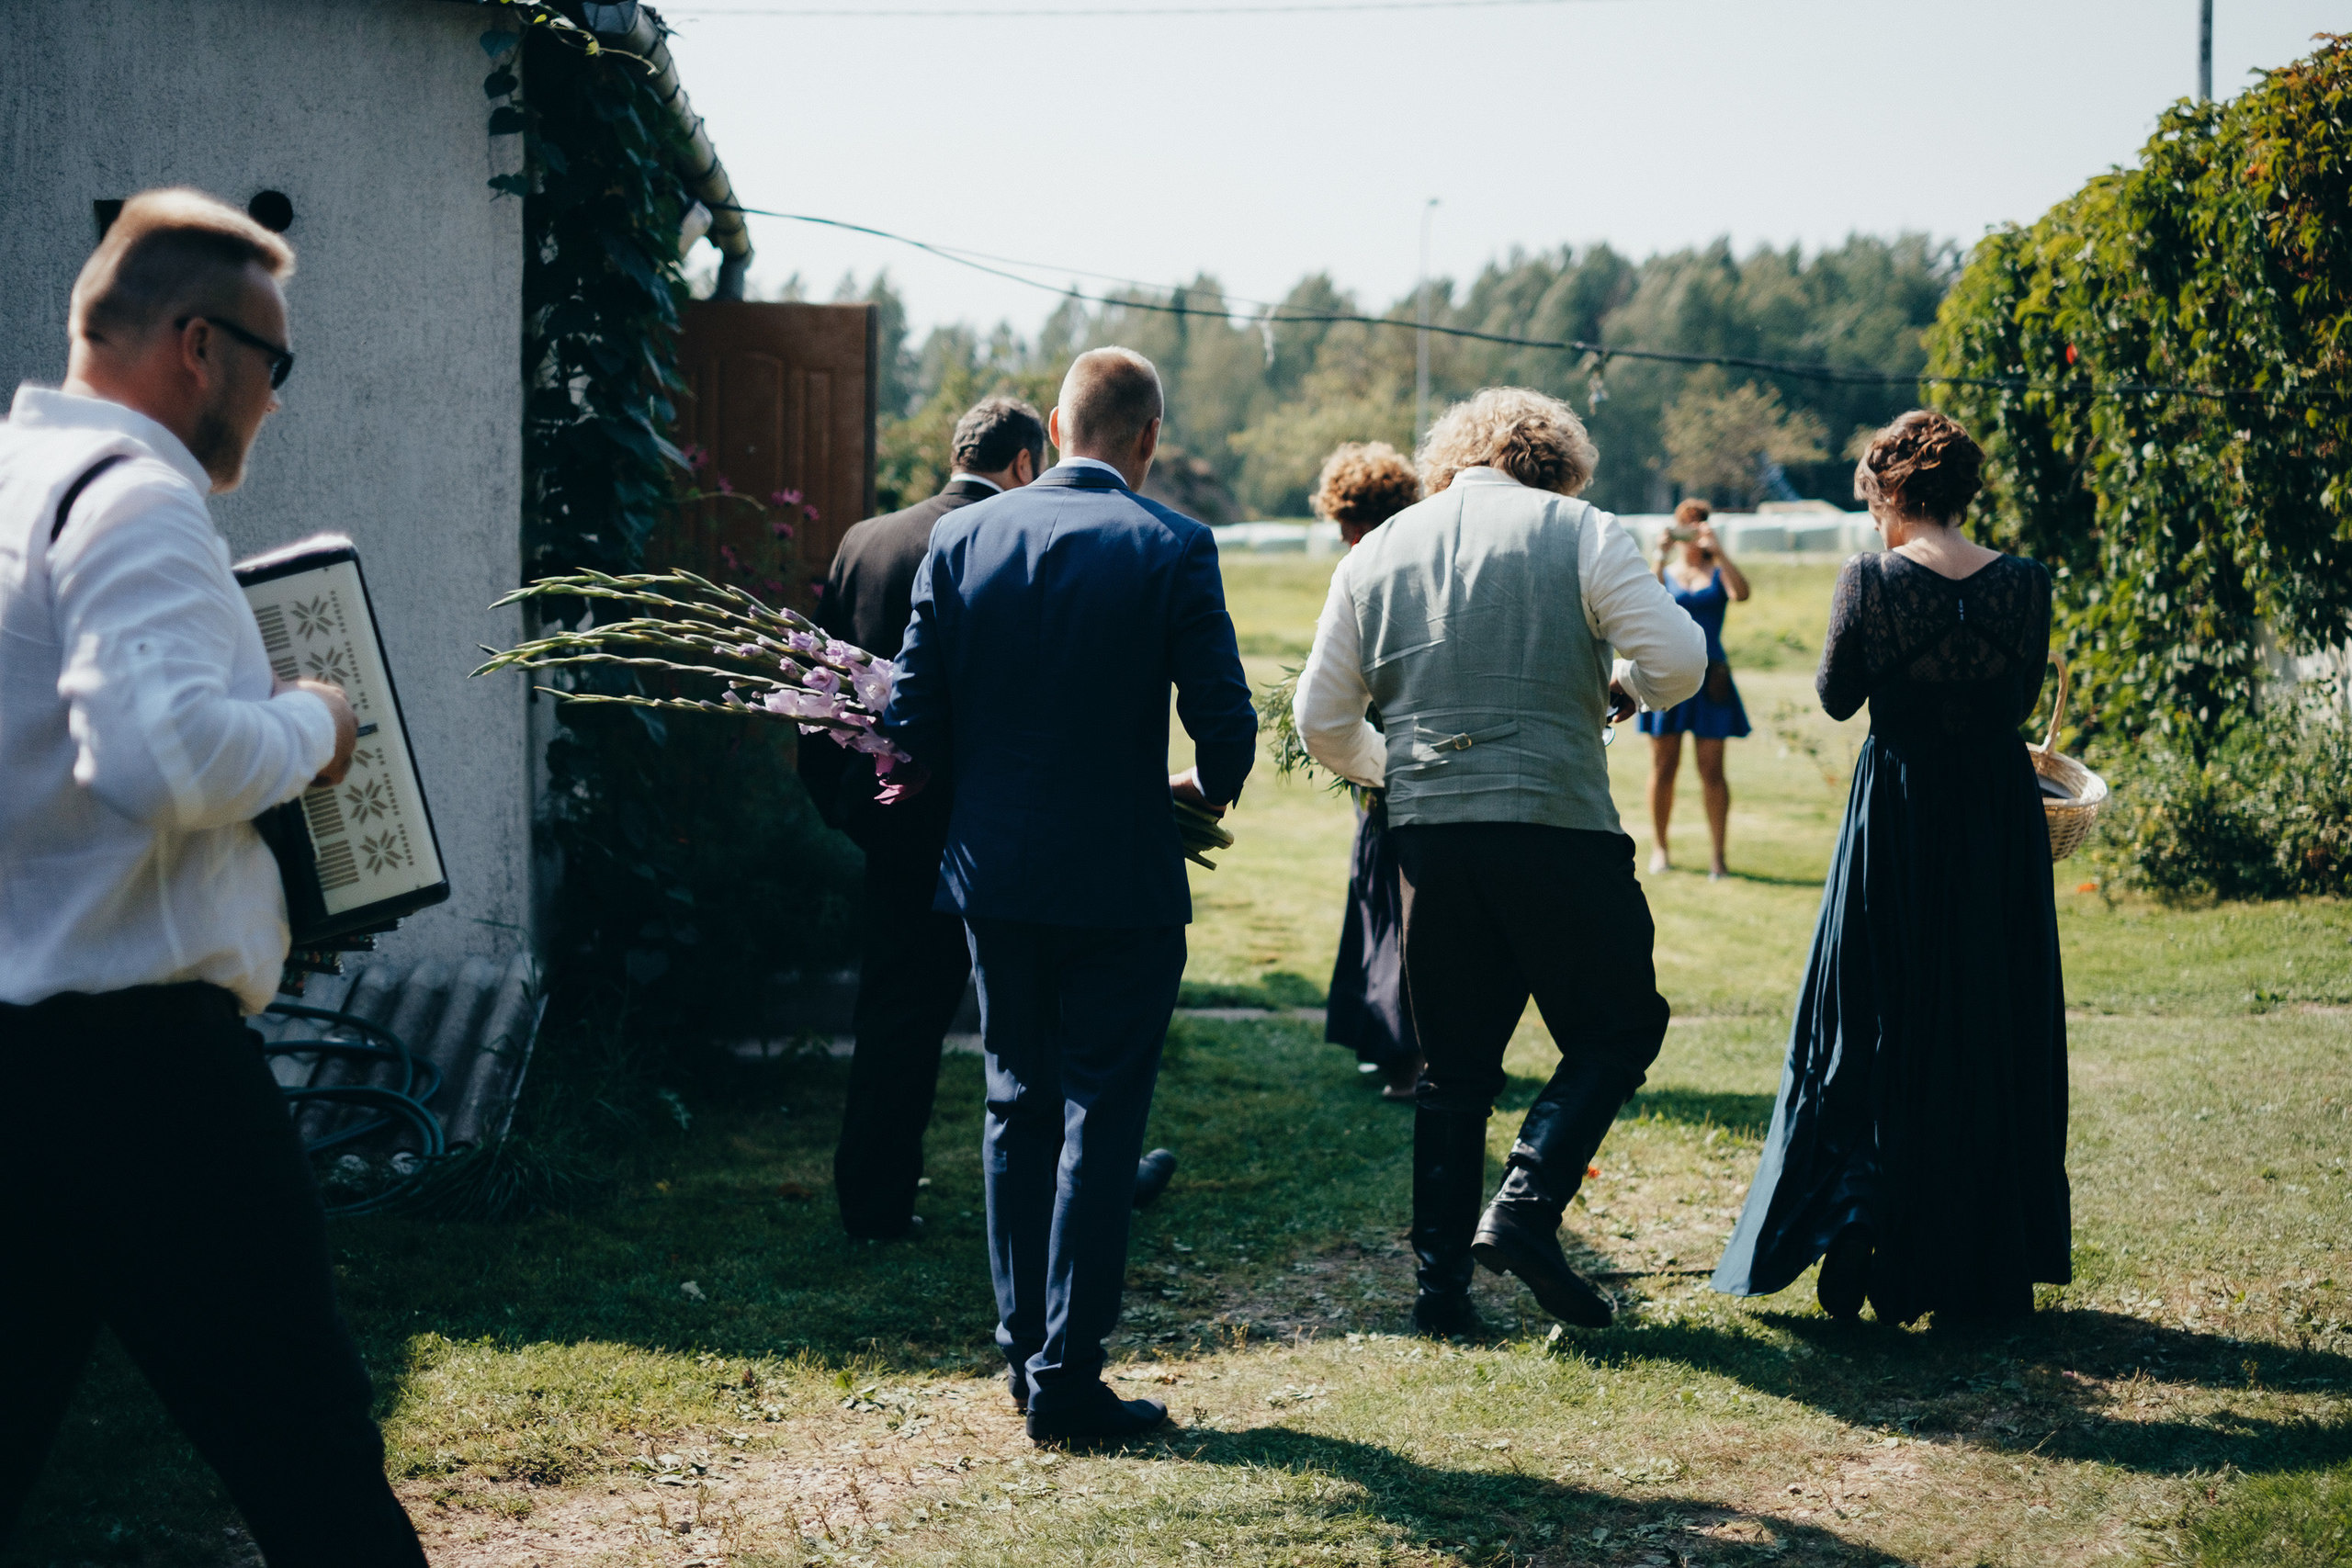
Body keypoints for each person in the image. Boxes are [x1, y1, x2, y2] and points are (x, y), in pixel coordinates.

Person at [0, 190, 422, 1562]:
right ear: (199, 347)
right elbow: (163, 757)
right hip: (148, 1084)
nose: (277, 398)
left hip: (18, 1060)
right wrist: (316, 723)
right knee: (313, 1463)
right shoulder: (138, 500)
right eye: (274, 361)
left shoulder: (17, 488)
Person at [881, 347, 1257, 1444]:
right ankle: (1066, 1375)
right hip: (1120, 877)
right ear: (1148, 437)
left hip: (994, 874)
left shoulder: (961, 537)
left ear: (1055, 426)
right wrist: (1203, 788)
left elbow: (910, 718)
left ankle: (1021, 1354)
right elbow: (1224, 724)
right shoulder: (1173, 543)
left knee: (1014, 1102)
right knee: (1101, 1116)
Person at [1295, 388, 1705, 1337]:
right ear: (1560, 466)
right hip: (1557, 822)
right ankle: (1525, 1201)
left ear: (1452, 458)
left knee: (1452, 1067)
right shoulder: (1581, 531)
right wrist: (1627, 686)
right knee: (1617, 1026)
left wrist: (1398, 767)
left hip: (1430, 838)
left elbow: (1321, 719)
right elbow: (1680, 660)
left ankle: (1440, 1293)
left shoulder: (1377, 551)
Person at [1711, 410, 2068, 1326]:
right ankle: (1975, 1253)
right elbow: (2017, 698)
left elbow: (1837, 698)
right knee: (1984, 1011)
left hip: (1900, 814)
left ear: (1888, 493)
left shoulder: (1868, 579)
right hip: (1994, 820)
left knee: (1875, 1012)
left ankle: (1860, 1214)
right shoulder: (2027, 582)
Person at [805, 398, 1180, 1242]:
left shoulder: (866, 541)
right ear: (1023, 461)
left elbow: (819, 702)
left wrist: (854, 812)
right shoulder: (1020, 539)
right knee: (1047, 1029)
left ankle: (874, 1201)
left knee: (894, 1015)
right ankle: (1079, 1188)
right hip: (1009, 835)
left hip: (900, 833)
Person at [1306, 442, 1425, 1100]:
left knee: (1401, 908)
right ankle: (1380, 1039)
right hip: (1374, 766)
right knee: (1373, 894)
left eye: (1349, 524)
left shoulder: (1393, 571)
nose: (1344, 538)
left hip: (1401, 765)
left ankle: (1409, 1055)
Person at [1639, 498, 1751, 879]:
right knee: (1663, 766)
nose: (1690, 534)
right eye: (1684, 526)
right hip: (1667, 674)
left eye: (1697, 525)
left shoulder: (1718, 571)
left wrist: (1718, 551)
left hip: (1712, 678)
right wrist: (1660, 553)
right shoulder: (1667, 572)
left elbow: (1742, 594)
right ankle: (1660, 849)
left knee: (1712, 770)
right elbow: (1645, 601)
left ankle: (1718, 857)